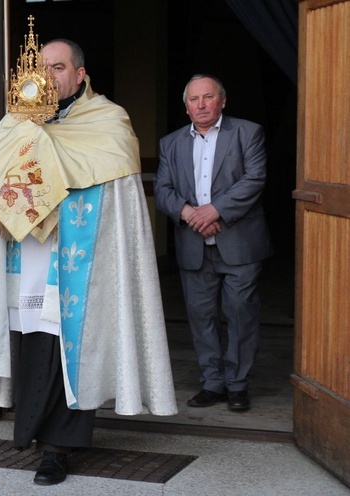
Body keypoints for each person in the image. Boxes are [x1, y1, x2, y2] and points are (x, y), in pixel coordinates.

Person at [0, 27, 177, 487]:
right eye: (42, 68)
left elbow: (118, 204)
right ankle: (34, 435)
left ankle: (58, 450)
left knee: (68, 356)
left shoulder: (108, 121)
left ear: (80, 76)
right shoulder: (14, 125)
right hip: (29, 261)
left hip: (81, 266)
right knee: (35, 350)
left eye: (58, 68)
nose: (49, 77)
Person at [153, 74, 272, 413]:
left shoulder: (248, 133)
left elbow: (255, 180)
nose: (201, 105)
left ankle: (237, 385)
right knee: (201, 316)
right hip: (193, 243)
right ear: (186, 106)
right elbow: (163, 190)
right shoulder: (170, 142)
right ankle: (212, 382)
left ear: (222, 101)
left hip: (239, 243)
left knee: (240, 314)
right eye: (194, 99)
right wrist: (192, 214)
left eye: (208, 97)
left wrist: (215, 211)